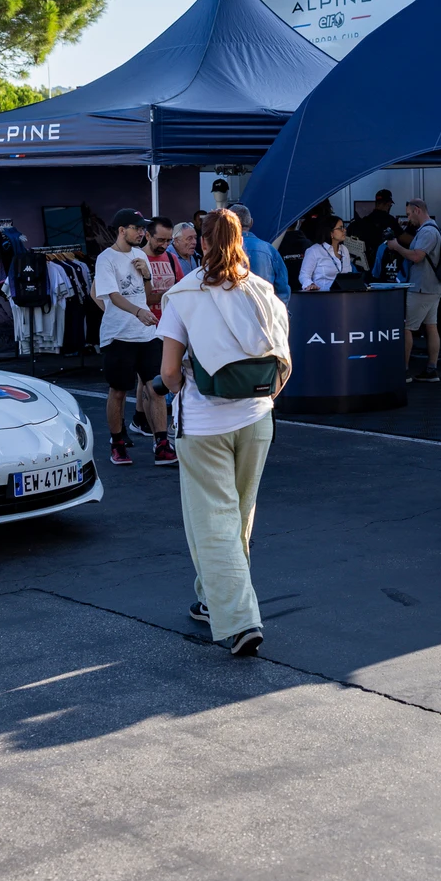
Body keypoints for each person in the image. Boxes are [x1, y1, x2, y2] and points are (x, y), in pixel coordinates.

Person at [158, 208, 291, 658]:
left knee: (211, 519)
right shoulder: (262, 290)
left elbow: (170, 371)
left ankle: (237, 619)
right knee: (238, 516)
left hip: (204, 422)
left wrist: (184, 391)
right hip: (257, 417)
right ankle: (210, 597)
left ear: (202, 241)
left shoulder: (184, 294)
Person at [94, 208, 176, 467]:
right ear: (122, 230)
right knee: (118, 390)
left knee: (156, 388)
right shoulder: (105, 259)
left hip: (146, 334)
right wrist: (138, 311)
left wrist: (148, 275)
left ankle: (161, 443)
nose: (142, 233)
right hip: (118, 335)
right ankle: (117, 442)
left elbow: (146, 293)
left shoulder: (140, 254)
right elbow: (113, 296)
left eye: (143, 229)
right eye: (137, 228)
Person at [391, 198, 441, 382]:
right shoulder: (431, 230)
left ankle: (404, 371)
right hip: (432, 287)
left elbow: (417, 256)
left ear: (417, 210)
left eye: (408, 214)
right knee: (431, 327)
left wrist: (397, 247)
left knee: (407, 327)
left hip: (422, 287)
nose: (408, 219)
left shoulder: (428, 232)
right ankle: (431, 369)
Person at [229, 204, 291, 303]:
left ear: (228, 224)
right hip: (264, 311)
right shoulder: (270, 250)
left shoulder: (223, 250)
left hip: (233, 313)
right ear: (251, 223)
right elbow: (282, 288)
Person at [298, 215, 356, 291]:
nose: (344, 230)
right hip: (323, 296)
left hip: (343, 296)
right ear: (330, 232)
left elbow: (349, 275)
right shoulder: (314, 251)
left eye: (344, 227)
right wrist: (310, 285)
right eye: (340, 228)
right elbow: (304, 275)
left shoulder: (344, 250)